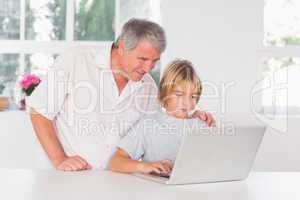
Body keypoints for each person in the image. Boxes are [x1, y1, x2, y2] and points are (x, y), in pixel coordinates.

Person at [28, 18, 215, 171]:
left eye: (154, 61)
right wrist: (60, 159)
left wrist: (189, 116)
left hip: (113, 182)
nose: (148, 68)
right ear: (123, 47)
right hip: (65, 176)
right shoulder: (76, 59)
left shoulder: (148, 85)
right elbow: (39, 112)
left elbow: (158, 123)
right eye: (143, 59)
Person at [109, 59, 205, 176]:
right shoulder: (149, 124)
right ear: (164, 94)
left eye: (193, 96)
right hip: (154, 191)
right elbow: (115, 161)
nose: (187, 103)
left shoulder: (201, 124)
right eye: (179, 94)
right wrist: (146, 167)